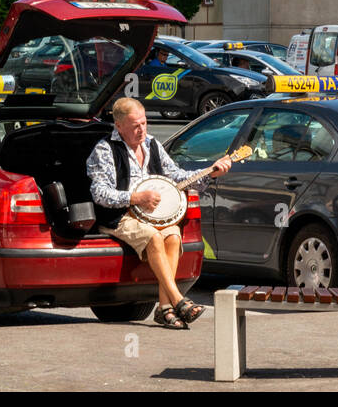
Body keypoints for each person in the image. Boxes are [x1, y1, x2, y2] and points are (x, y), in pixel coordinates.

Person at [86, 97, 233, 329]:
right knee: (154, 237)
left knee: (173, 236)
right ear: (119, 126)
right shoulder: (104, 150)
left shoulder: (152, 144)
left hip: (152, 216)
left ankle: (164, 308)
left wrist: (210, 172)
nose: (141, 129)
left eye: (144, 123)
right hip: (119, 216)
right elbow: (100, 193)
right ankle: (177, 300)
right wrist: (135, 198)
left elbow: (178, 177)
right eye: (135, 125)